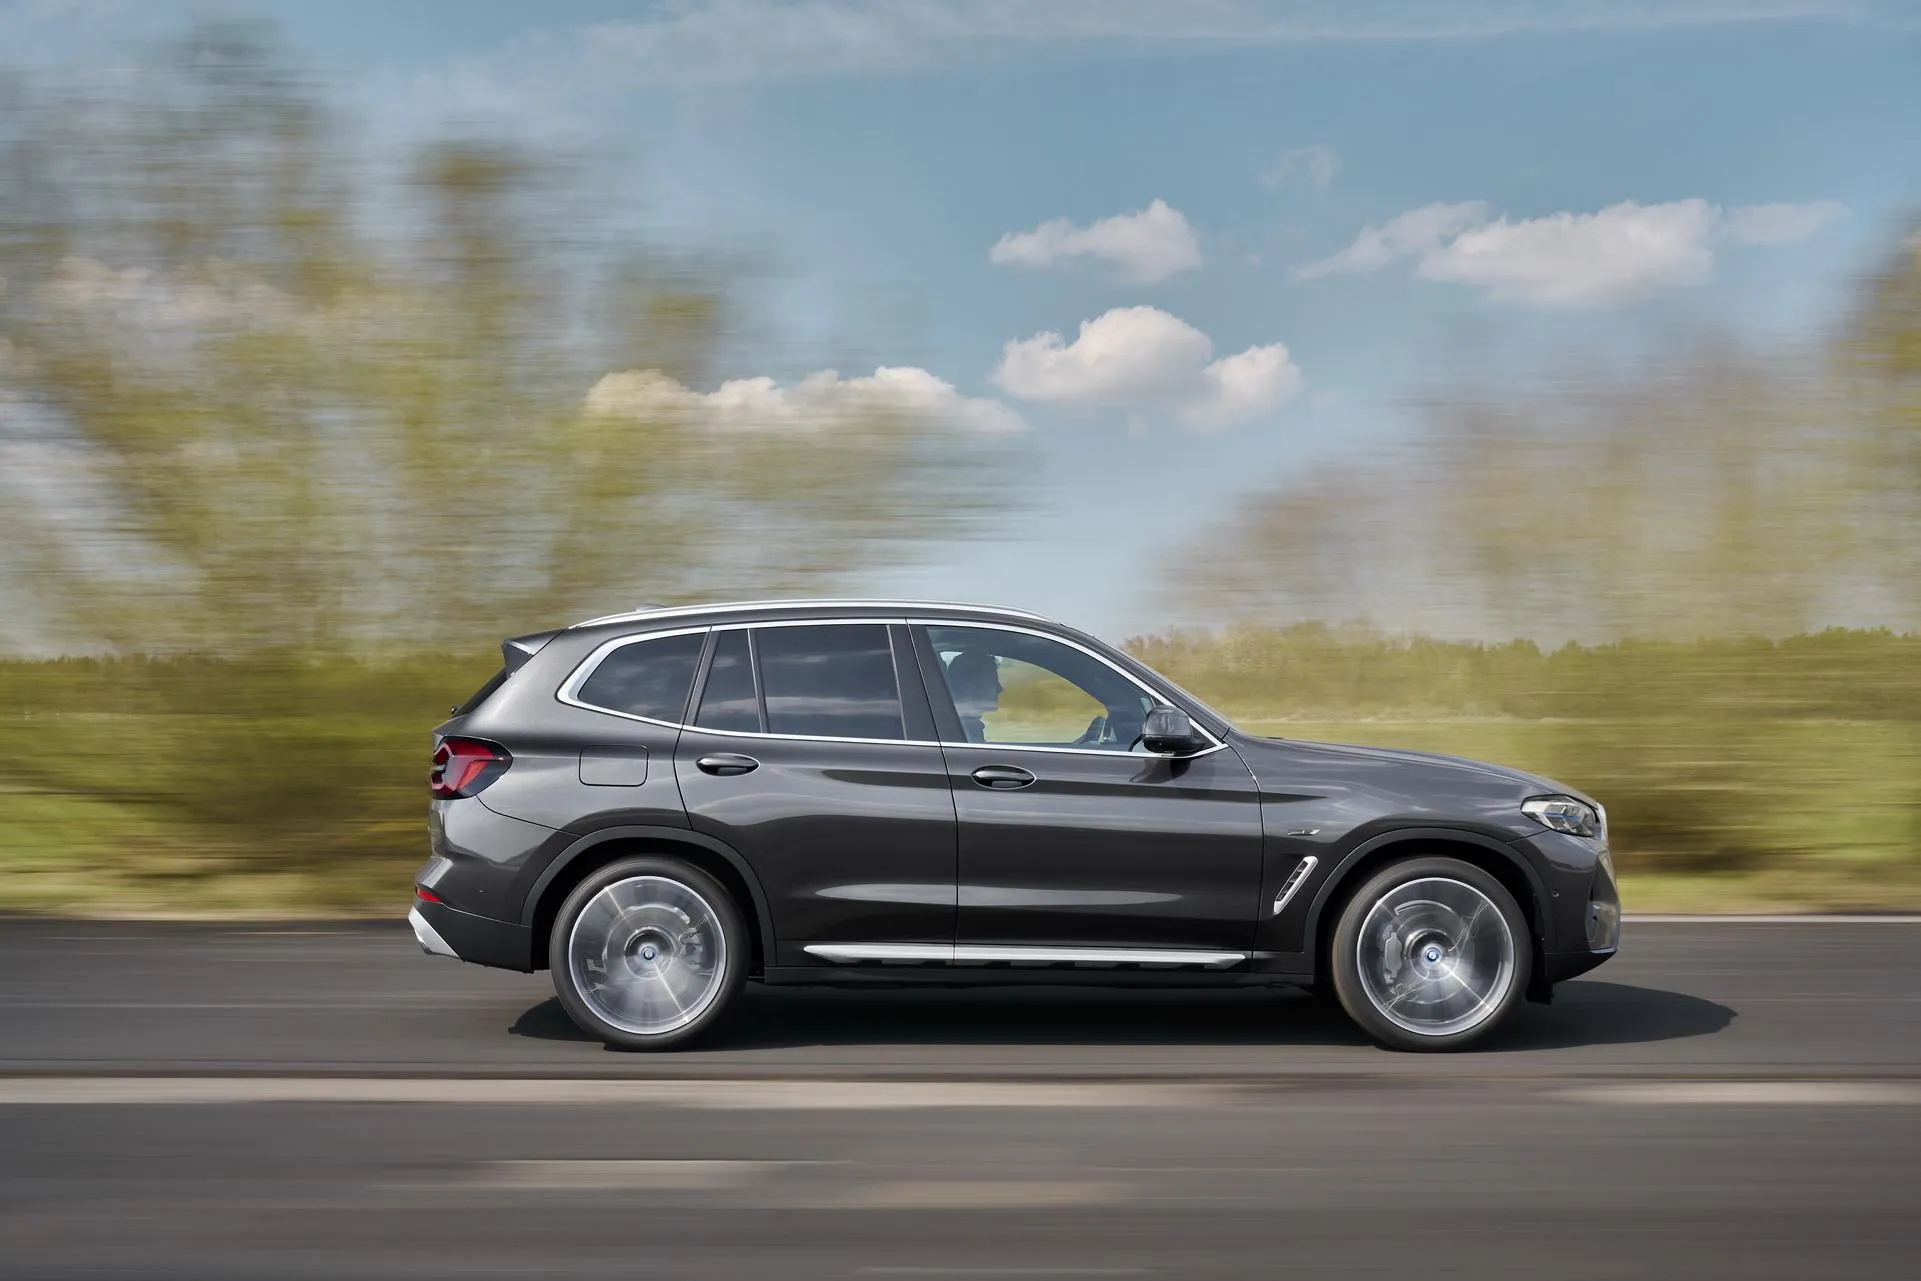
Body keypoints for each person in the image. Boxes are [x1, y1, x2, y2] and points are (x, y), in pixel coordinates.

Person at [944, 650, 1002, 742]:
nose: (1000, 689)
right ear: (972, 689)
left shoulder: (959, 726)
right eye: (993, 682)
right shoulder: (960, 733)